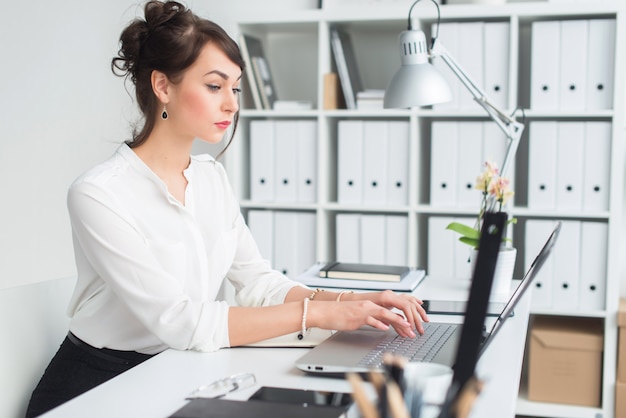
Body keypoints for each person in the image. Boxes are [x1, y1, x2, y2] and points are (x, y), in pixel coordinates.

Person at [25, 1, 428, 416]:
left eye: (235, 88)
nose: (232, 105)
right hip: (96, 388)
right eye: (215, 86)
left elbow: (258, 284)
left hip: (177, 368)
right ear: (163, 86)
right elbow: (183, 323)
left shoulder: (210, 178)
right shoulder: (98, 194)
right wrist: (325, 314)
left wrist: (353, 301)